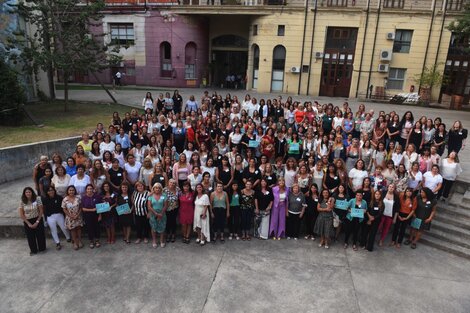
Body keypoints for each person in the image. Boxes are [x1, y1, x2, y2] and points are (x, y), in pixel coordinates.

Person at [19, 187, 46, 255]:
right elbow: (21, 214)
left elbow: (41, 211)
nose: (28, 193)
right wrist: (28, 223)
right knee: (30, 237)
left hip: (37, 218)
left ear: (32, 192)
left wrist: (37, 222)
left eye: (29, 192)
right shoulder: (22, 201)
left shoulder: (37, 199)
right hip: (28, 220)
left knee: (40, 235)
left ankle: (42, 248)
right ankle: (33, 250)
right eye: (26, 192)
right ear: (24, 194)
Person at [62, 185, 84, 250]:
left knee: (79, 229)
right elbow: (64, 209)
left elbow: (81, 207)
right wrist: (70, 215)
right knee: (73, 230)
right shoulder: (65, 199)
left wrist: (77, 215)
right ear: (68, 191)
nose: (71, 191)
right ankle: (74, 242)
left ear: (75, 191)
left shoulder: (78, 198)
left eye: (73, 190)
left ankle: (79, 241)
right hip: (70, 217)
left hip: (78, 216)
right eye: (70, 190)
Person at [81, 184, 102, 249]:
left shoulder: (97, 197)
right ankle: (91, 241)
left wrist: (100, 215)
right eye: (88, 189)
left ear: (93, 190)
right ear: (86, 190)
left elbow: (100, 206)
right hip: (87, 216)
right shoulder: (84, 198)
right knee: (89, 228)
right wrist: (92, 210)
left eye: (90, 189)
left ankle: (97, 240)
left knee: (97, 228)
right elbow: (83, 208)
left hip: (96, 215)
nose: (89, 190)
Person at [147, 183, 168, 248]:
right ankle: (154, 241)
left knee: (162, 227)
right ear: (153, 188)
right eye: (156, 188)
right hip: (153, 214)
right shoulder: (151, 196)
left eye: (159, 188)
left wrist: (161, 213)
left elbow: (166, 205)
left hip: (162, 214)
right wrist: (156, 213)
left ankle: (161, 241)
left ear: (161, 189)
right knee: (153, 228)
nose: (157, 189)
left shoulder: (164, 195)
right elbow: (149, 206)